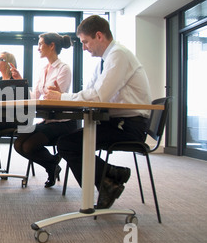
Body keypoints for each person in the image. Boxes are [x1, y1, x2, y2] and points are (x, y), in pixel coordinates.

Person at [49, 15, 152, 208]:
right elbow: (89, 92)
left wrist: (61, 98)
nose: (84, 47)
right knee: (68, 143)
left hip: (129, 126)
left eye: (85, 41)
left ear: (99, 36)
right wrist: (63, 96)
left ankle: (107, 181)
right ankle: (110, 177)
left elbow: (98, 97)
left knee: (68, 144)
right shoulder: (104, 61)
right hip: (114, 122)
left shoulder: (118, 55)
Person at [12, 33, 77, 188]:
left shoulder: (64, 69)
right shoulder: (43, 69)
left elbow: (54, 97)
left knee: (28, 146)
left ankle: (51, 165)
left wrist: (56, 94)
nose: (38, 48)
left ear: (52, 45)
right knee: (18, 144)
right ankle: (53, 163)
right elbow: (35, 96)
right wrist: (21, 80)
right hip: (48, 120)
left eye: (41, 44)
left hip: (63, 122)